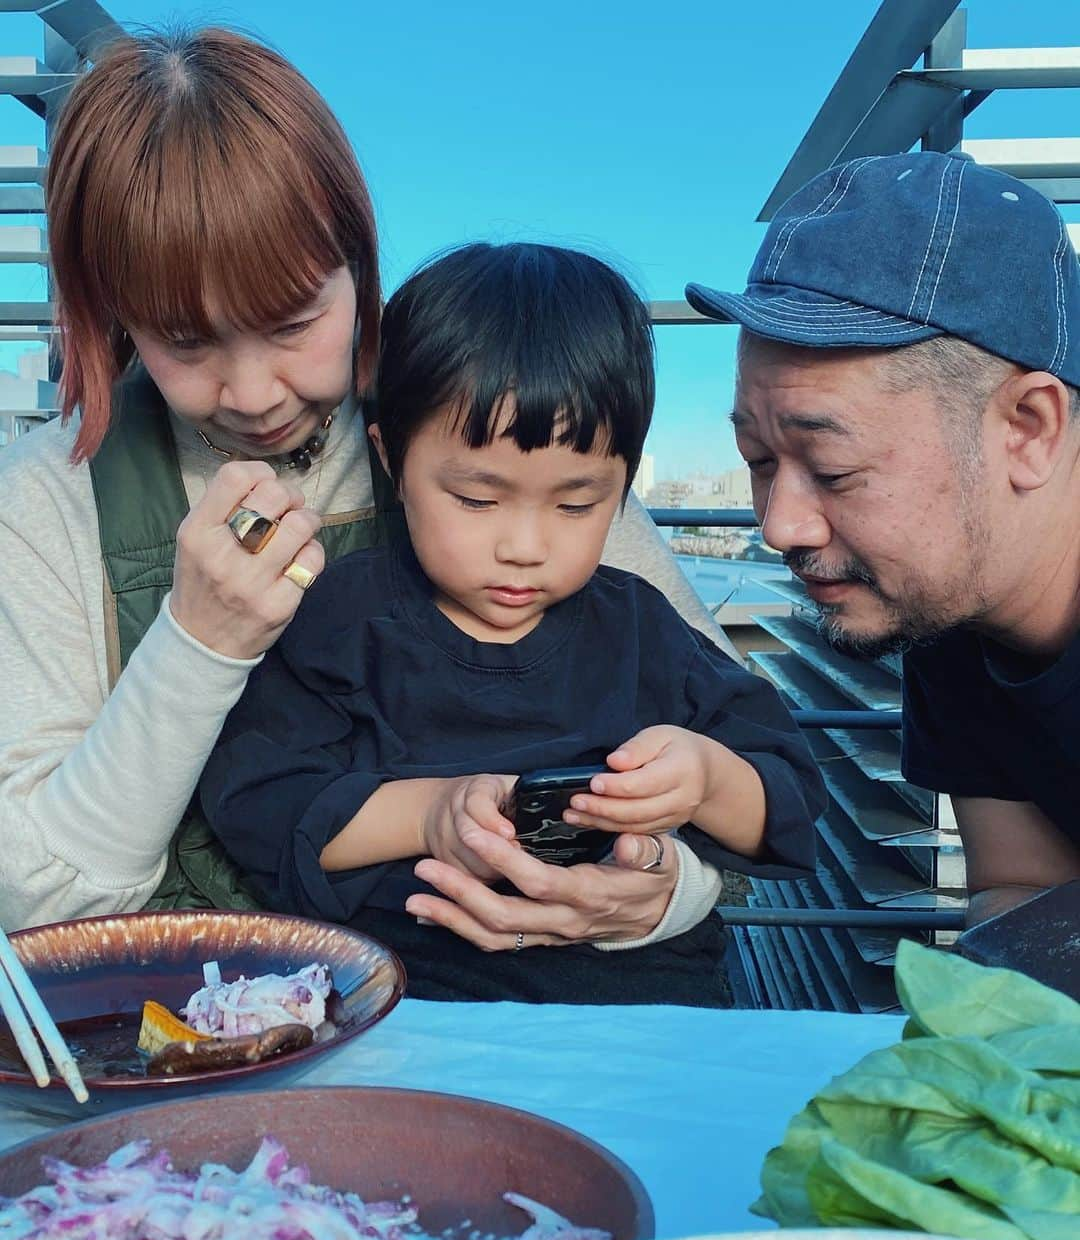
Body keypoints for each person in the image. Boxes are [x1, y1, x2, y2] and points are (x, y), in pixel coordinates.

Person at [0, 27, 747, 964]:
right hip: (190, 1014)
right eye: (185, 342)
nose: (255, 392)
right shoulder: (50, 500)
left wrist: (657, 897)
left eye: (292, 322)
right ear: (114, 314)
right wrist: (197, 644)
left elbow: (736, 757)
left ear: (359, 261)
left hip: (497, 1006)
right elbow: (42, 901)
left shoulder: (491, 429)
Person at [200, 243, 825, 1002]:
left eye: (576, 504)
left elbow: (788, 799)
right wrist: (431, 815)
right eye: (476, 499)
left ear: (624, 485)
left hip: (647, 1001)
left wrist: (704, 781)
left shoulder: (641, 629)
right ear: (392, 459)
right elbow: (262, 804)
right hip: (415, 1000)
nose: (525, 548)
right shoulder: (342, 620)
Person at [684, 149, 1080, 930]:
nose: (778, 526)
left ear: (1028, 430)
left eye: (833, 470)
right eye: (760, 463)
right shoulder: (947, 599)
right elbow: (1026, 893)